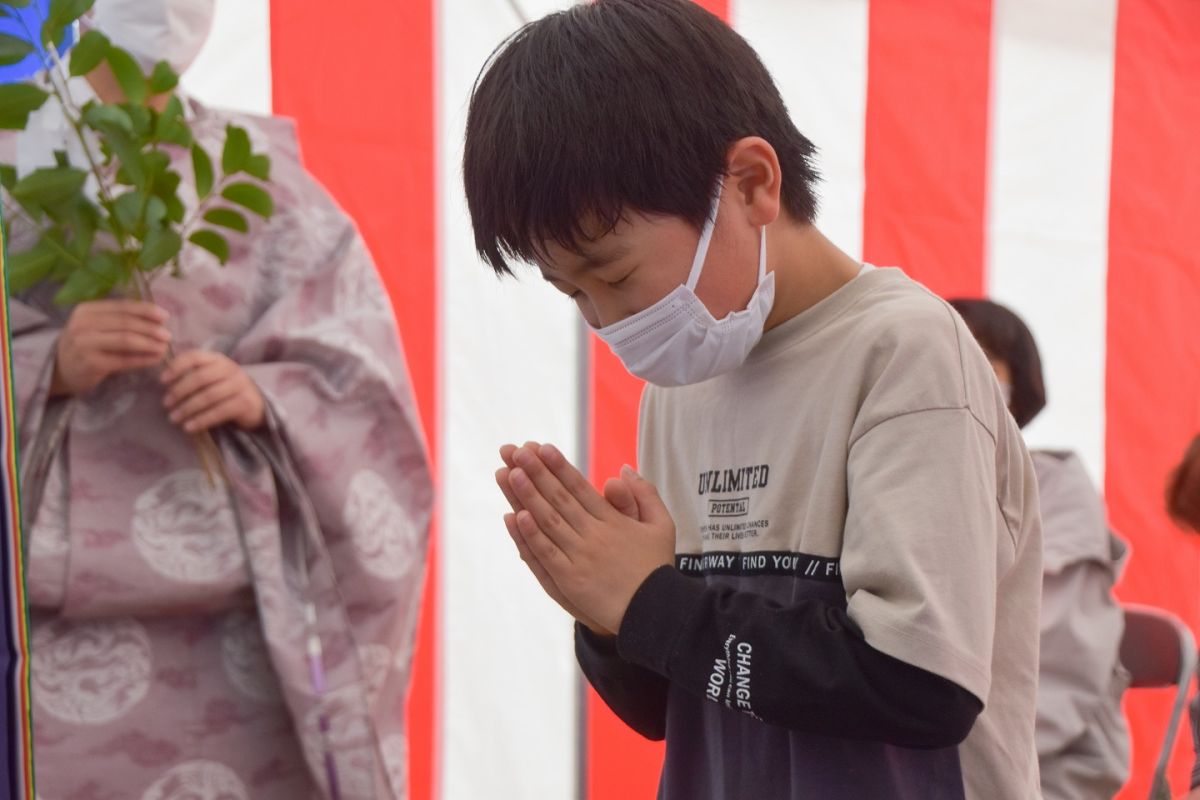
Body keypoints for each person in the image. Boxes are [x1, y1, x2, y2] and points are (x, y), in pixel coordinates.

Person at [464, 2, 1043, 797]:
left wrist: (649, 601)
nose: (606, 319)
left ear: (751, 183)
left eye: (618, 275)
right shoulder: (684, 383)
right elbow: (677, 702)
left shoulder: (901, 352)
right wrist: (604, 610)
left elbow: (921, 687)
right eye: (574, 294)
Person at [3, 2, 431, 797]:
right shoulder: (14, 176)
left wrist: (264, 397)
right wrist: (43, 364)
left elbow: (366, 396)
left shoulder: (260, 182)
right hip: (45, 636)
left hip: (248, 631)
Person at [949, 298, 1131, 800]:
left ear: (1017, 388)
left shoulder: (1057, 491)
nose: (954, 372)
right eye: (941, 355)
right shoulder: (904, 483)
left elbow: (1052, 678)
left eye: (979, 358)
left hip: (1040, 767)